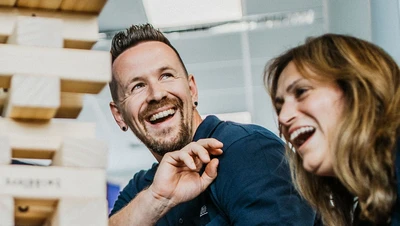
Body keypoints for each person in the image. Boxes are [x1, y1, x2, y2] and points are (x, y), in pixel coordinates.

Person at [107, 23, 316, 225]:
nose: (157, 94)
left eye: (166, 75)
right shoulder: (140, 190)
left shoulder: (248, 150)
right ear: (119, 115)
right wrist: (157, 199)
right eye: (137, 86)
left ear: (192, 89)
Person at [264, 33, 400, 226]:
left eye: (301, 92)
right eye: (279, 108)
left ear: (357, 90)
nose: (283, 118)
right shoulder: (366, 209)